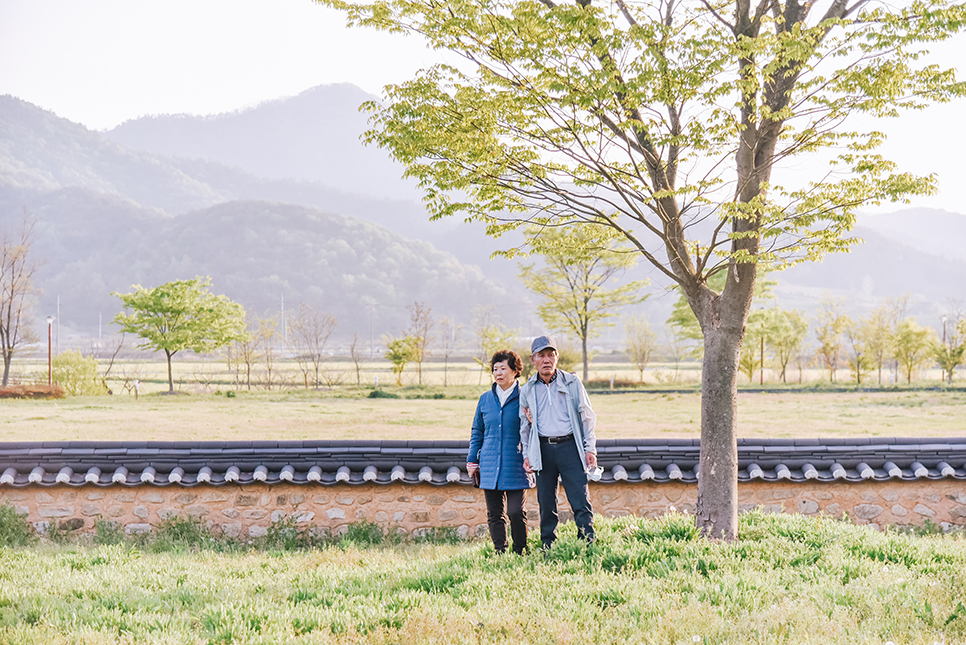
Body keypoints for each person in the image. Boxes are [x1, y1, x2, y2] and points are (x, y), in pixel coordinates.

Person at [519, 335, 598, 549]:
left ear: (557, 357)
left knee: (580, 499)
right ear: (532, 359)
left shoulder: (572, 382)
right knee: (546, 502)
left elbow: (587, 416)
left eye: (550, 355)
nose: (546, 360)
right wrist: (527, 454)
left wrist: (590, 448)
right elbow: (524, 427)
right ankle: (548, 546)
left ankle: (587, 544)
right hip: (543, 449)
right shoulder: (527, 390)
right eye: (541, 355)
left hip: (570, 446)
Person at [467, 350, 532, 555]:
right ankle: (500, 551)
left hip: (516, 463)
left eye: (503, 368)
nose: (498, 373)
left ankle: (520, 550)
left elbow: (533, 429)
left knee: (515, 511)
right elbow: (478, 430)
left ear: (515, 371)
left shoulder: (525, 397)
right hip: (489, 463)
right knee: (494, 513)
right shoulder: (485, 399)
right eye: (495, 369)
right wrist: (472, 460)